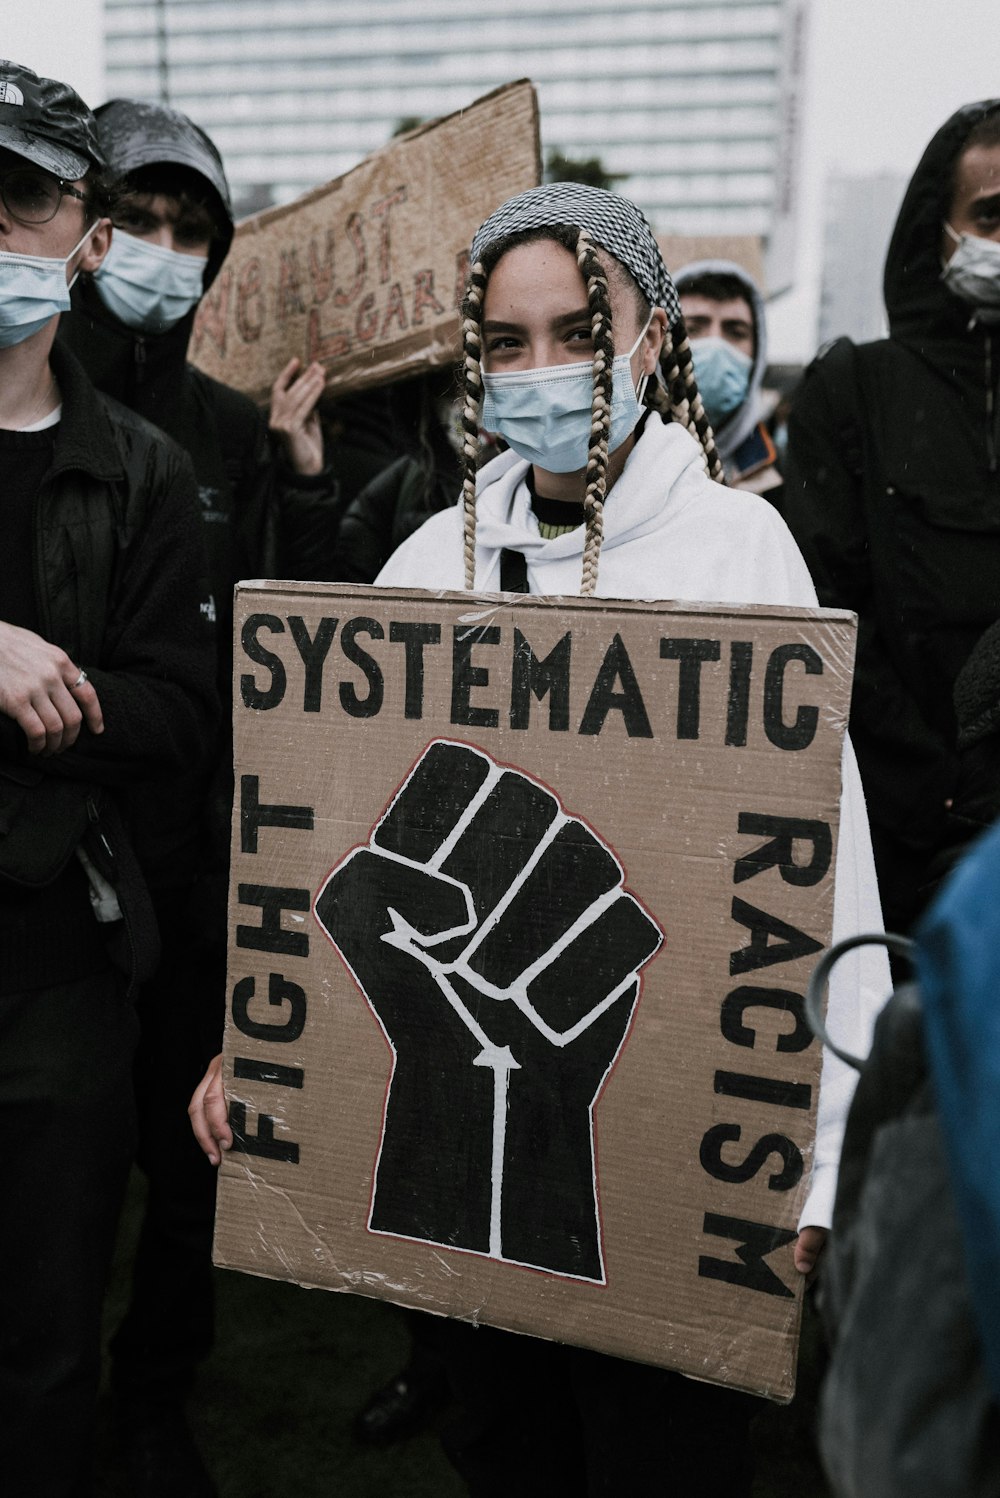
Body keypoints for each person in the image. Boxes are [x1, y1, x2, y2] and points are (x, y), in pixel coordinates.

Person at [191, 182, 889, 1493]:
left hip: (672, 1141)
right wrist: (264, 1041)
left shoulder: (741, 551)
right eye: (506, 344)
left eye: (579, 328)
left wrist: (821, 1165)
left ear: (647, 336)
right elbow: (325, 825)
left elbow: (823, 860)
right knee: (503, 1443)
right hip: (461, 1153)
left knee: (655, 1457)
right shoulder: (422, 567)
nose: (543, 371)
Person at [57, 96, 342, 1497]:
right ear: (85, 224)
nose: (164, 252)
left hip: (197, 861)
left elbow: (280, 650)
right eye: (142, 221)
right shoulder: (29, 389)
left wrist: (300, 481)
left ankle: (155, 1397)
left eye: (192, 231)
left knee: (190, 1160)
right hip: (56, 861)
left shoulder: (228, 431)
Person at [0, 60, 217, 1497]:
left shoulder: (139, 467)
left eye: (23, 199)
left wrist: (45, 701)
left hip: (52, 964)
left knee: (38, 1338)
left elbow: (177, 707)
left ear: (82, 236)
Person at [782, 99, 1000, 934]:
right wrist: (938, 788)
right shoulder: (855, 391)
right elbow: (829, 620)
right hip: (901, 848)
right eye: (991, 214)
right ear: (936, 230)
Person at [675, 258, 784, 508]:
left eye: (735, 332)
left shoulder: (781, 473)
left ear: (757, 353)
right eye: (693, 328)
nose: (716, 345)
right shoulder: (621, 459)